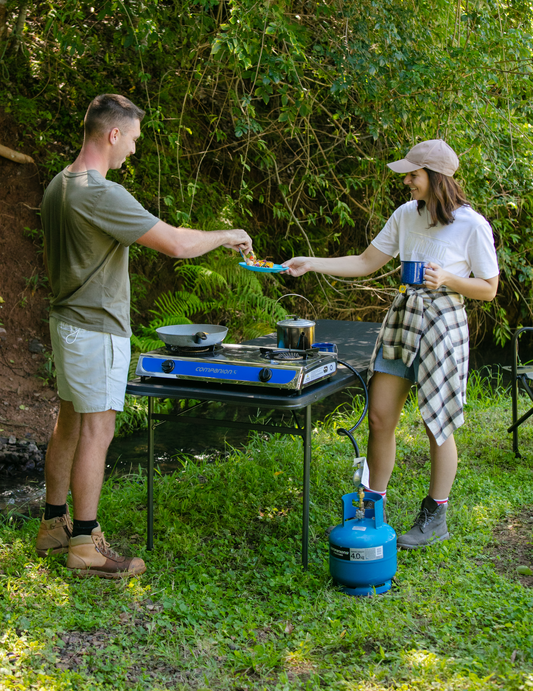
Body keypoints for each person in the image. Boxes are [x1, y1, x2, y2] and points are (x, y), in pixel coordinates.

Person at [37, 94, 253, 577]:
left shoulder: (59, 183)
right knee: (99, 428)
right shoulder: (98, 193)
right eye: (132, 139)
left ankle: (53, 524)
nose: (133, 149)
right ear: (113, 134)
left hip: (67, 323)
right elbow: (176, 243)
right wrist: (226, 234)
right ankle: (85, 544)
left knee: (69, 421)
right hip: (95, 330)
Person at [282, 140, 499, 548]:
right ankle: (372, 508)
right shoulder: (405, 215)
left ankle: (436, 515)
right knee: (381, 418)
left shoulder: (472, 225)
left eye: (413, 174)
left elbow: (488, 289)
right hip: (403, 319)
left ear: (436, 178)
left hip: (443, 322)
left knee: (438, 421)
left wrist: (447, 279)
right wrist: (312, 263)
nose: (406, 180)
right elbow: (366, 261)